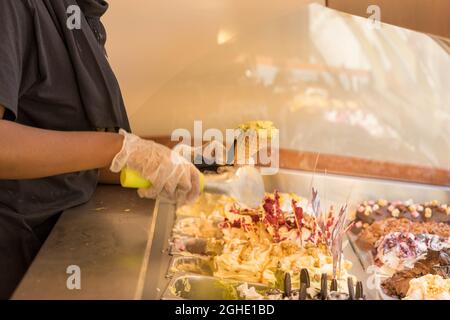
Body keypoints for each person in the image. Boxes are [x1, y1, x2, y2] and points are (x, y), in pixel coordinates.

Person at [0, 0, 200, 299]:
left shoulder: (76, 13)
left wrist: (160, 156)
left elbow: (79, 142)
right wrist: (120, 148)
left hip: (62, 240)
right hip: (17, 255)